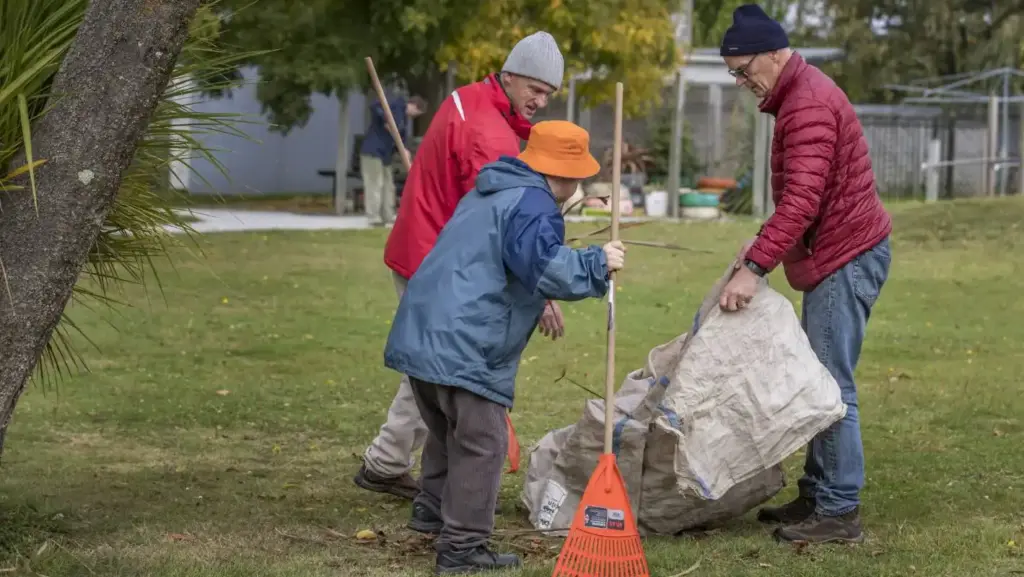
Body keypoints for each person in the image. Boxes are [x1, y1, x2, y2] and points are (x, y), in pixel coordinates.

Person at [383, 120, 625, 574]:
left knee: (448, 431)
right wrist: (598, 262)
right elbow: (545, 266)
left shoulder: (492, 190)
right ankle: (462, 547)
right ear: (563, 174)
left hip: (424, 329)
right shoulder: (533, 204)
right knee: (483, 443)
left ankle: (432, 510)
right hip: (466, 339)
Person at [354, 31, 566, 501]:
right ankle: (390, 465)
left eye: (549, 93)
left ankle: (386, 462)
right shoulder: (488, 136)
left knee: (429, 363)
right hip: (432, 258)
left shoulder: (472, 99)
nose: (541, 101)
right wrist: (544, 291)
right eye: (535, 88)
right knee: (437, 366)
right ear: (510, 76)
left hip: (426, 246)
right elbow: (503, 225)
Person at [717, 4, 893, 545]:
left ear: (773, 53)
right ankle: (817, 493)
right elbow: (802, 199)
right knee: (818, 379)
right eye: (734, 74)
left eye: (744, 70)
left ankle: (839, 510)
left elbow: (802, 202)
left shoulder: (808, 104)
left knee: (830, 385)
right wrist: (760, 244)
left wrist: (754, 267)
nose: (742, 81)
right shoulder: (798, 96)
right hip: (838, 252)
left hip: (846, 256)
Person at [359, 94, 427, 226]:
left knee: (388, 185)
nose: (414, 116)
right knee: (375, 183)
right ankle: (373, 217)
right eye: (416, 113)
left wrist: (405, 150)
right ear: (413, 106)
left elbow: (400, 137)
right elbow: (374, 106)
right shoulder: (395, 105)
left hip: (385, 155)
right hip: (373, 151)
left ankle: (388, 215)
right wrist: (385, 120)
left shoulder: (404, 119)